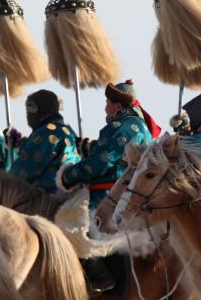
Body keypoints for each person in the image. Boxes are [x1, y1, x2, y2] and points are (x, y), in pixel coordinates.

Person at [58, 80, 159, 209]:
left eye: (107, 102)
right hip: (130, 198)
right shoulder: (141, 126)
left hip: (109, 199)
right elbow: (116, 151)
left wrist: (68, 175)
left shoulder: (120, 127)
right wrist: (87, 146)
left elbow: (102, 161)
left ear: (117, 106)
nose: (105, 108)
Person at [9, 90, 81, 192]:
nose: (28, 114)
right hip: (71, 192)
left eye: (30, 108)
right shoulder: (68, 130)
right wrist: (21, 143)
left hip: (51, 196)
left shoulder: (47, 133)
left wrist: (1, 182)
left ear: (39, 110)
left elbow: (22, 170)